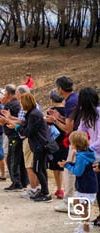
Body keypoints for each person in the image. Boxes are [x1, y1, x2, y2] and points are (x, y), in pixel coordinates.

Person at [45, 76, 78, 212]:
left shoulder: (70, 101)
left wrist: (54, 121)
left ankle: (69, 203)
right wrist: (59, 117)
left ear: (59, 88)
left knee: (70, 172)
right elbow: (72, 121)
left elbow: (68, 129)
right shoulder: (75, 97)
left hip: (75, 141)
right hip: (80, 138)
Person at [59, 131, 98, 233]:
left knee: (82, 207)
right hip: (88, 184)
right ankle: (84, 224)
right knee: (78, 204)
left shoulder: (81, 157)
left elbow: (78, 172)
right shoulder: (87, 152)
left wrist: (66, 166)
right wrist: (72, 155)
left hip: (86, 186)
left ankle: (86, 228)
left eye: (71, 143)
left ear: (75, 145)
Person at [16, 93, 52, 202]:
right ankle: (44, 191)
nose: (21, 105)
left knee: (37, 169)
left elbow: (29, 132)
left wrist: (18, 128)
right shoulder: (32, 113)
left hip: (39, 146)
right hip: (39, 145)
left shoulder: (33, 115)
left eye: (21, 103)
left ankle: (45, 193)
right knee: (40, 169)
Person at [0, 84, 28, 191]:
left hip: (14, 135)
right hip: (19, 134)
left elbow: (5, 121)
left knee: (12, 159)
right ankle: (23, 182)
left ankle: (16, 183)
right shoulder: (18, 104)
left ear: (7, 93)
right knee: (19, 160)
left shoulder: (10, 105)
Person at [74, 87, 100, 227]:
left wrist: (87, 150)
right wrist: (75, 144)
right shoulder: (87, 115)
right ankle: (84, 224)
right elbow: (80, 132)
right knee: (92, 189)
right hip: (92, 156)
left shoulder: (99, 113)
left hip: (94, 155)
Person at [47, 89, 68, 199]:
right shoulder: (68, 110)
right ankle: (67, 188)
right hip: (67, 139)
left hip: (55, 141)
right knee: (67, 165)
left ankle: (59, 189)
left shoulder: (50, 111)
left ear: (51, 99)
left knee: (56, 166)